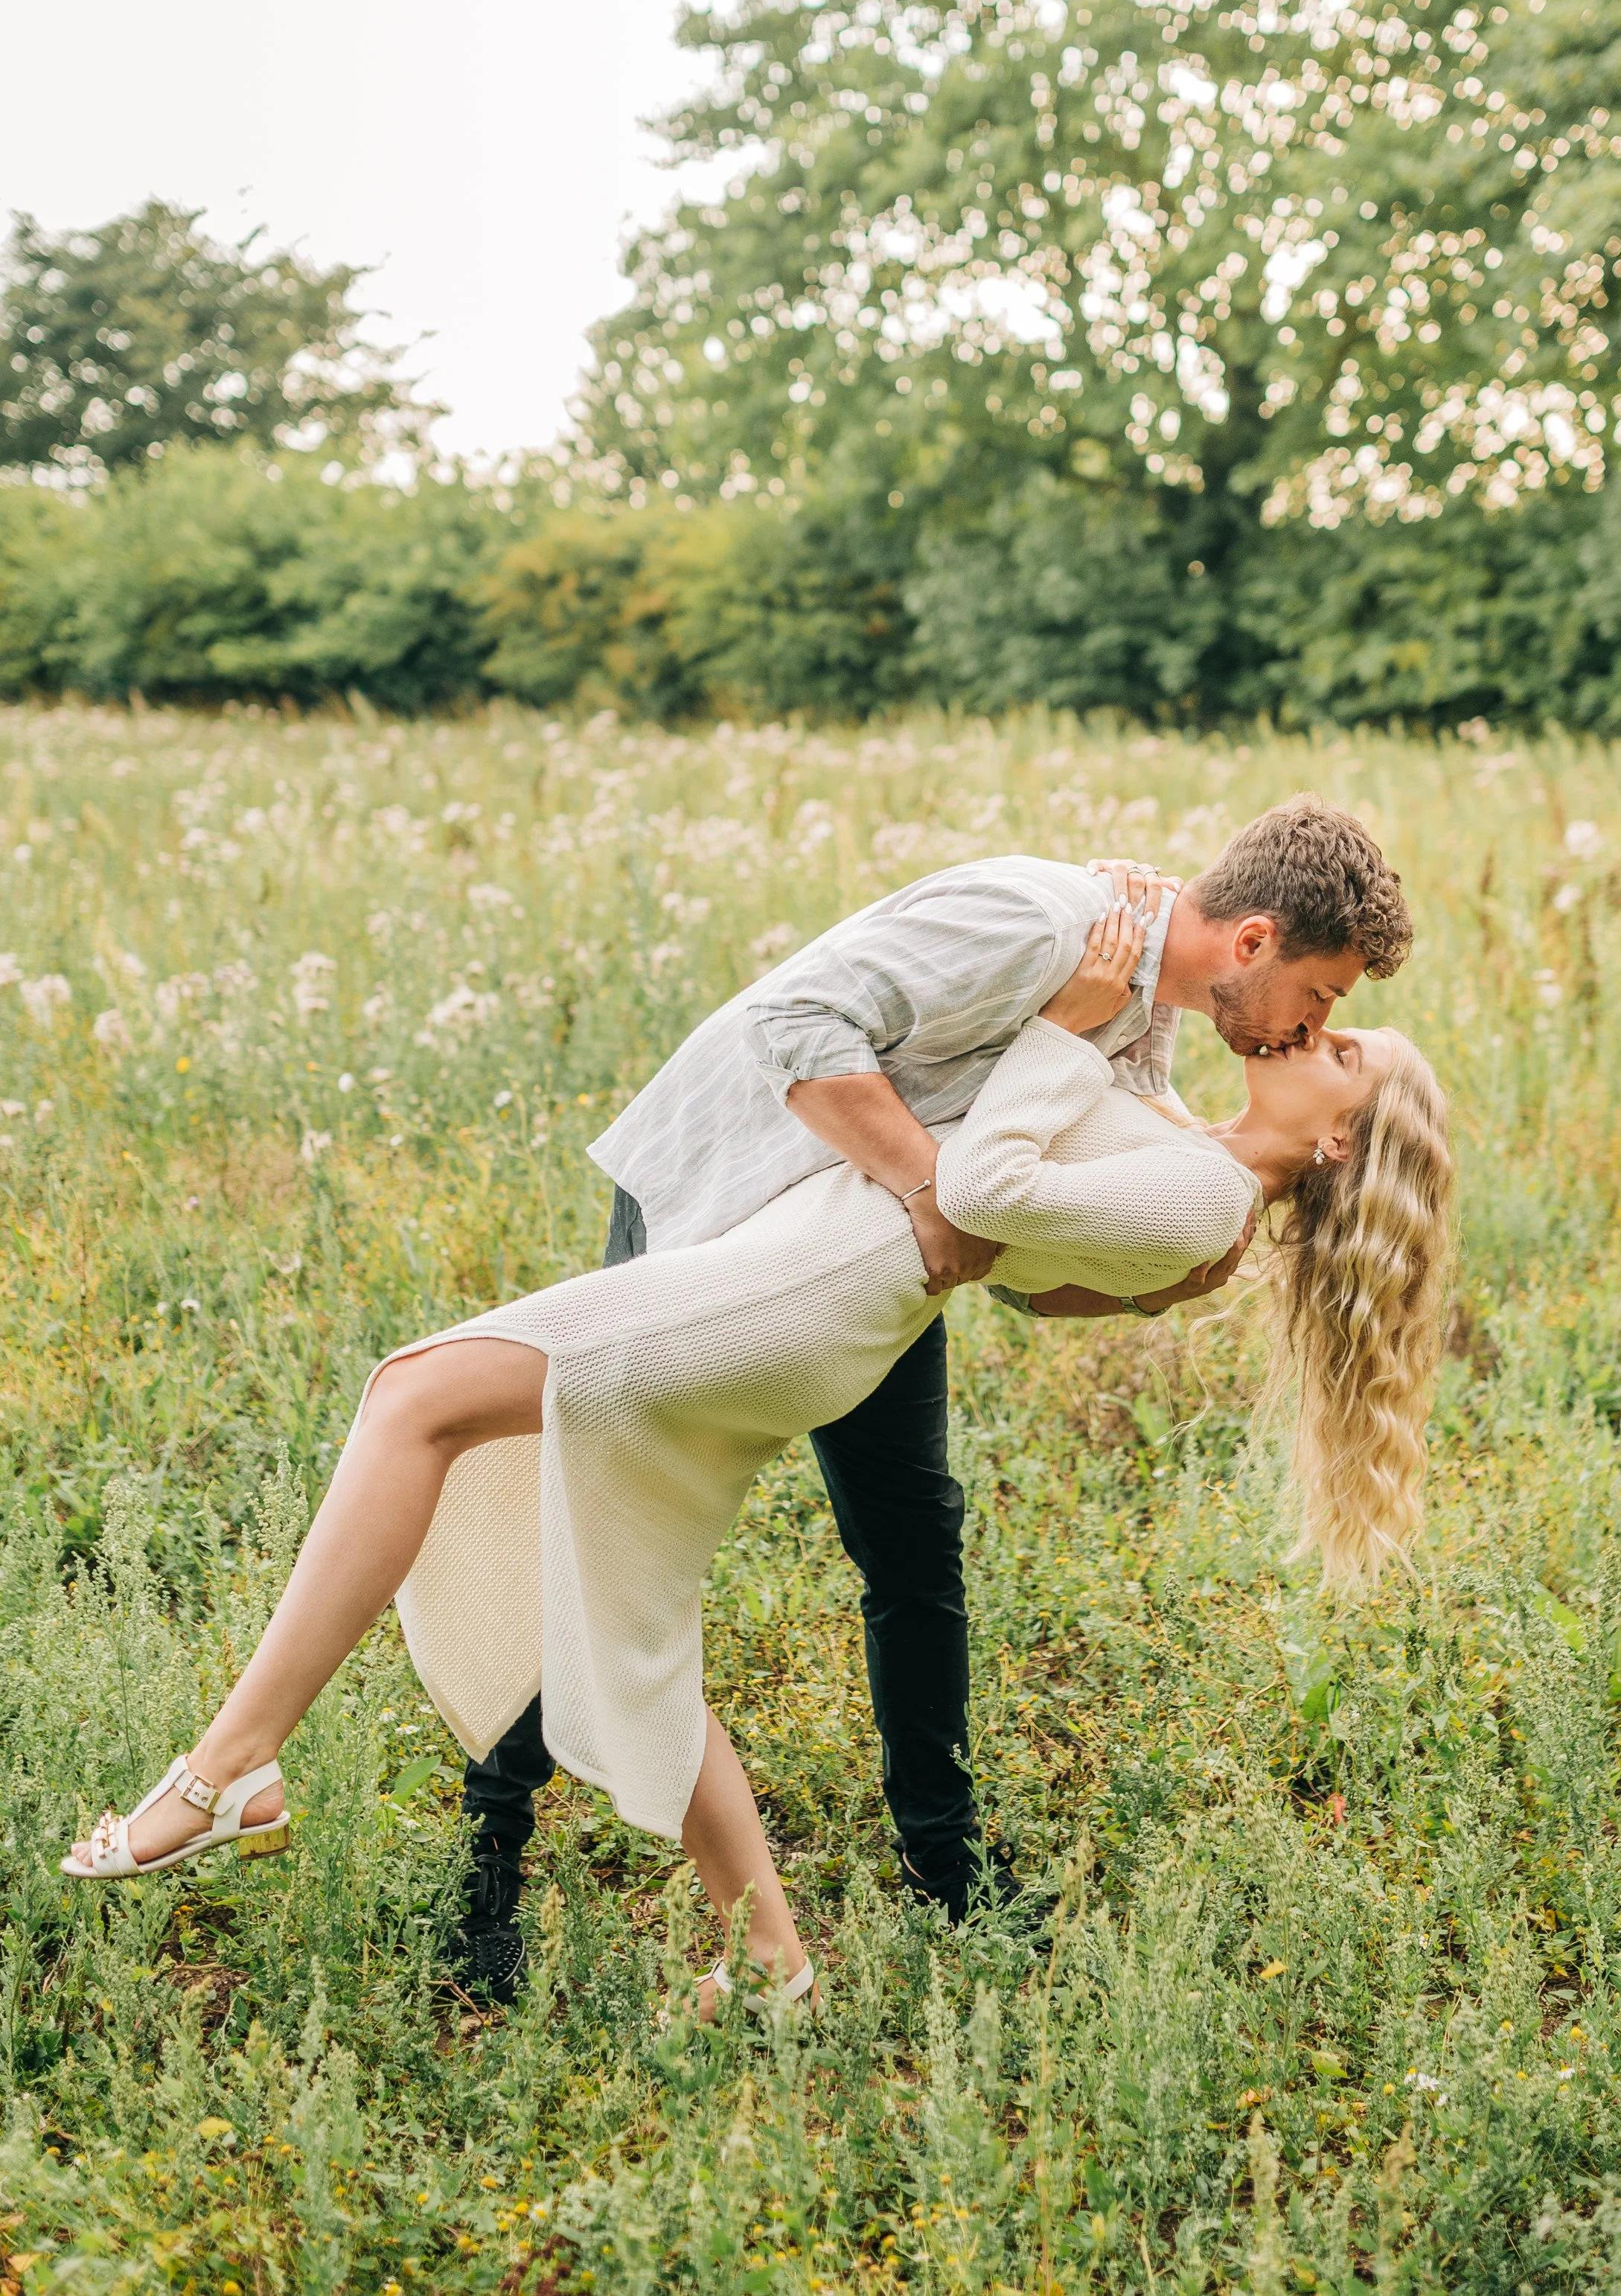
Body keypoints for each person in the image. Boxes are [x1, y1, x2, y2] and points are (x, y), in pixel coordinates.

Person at [60, 902, 1453, 2029]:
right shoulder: (1196, 1152)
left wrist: (1060, 1028)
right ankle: (773, 1964)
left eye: (1339, 1047)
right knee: (629, 1597)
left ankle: (230, 1767)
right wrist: (1105, 1045)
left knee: (413, 1400)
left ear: (1338, 1140)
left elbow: (980, 1195)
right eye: (1325, 1013)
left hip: (795, 1300)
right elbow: (1051, 1210)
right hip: (794, 1279)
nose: (1314, 1033)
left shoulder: (1208, 1190)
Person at [451, 796, 1413, 1989]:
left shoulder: (1138, 1008)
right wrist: (926, 1190)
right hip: (725, 1207)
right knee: (597, 1530)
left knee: (915, 1544)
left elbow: (1030, 1241)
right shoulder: (1036, 922)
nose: (1308, 1027)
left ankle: (950, 1875)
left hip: (856, 1261)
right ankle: (481, 1878)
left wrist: (1144, 1287)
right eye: (1320, 998)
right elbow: (794, 1024)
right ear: (1258, 941)